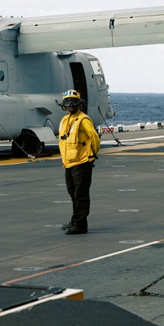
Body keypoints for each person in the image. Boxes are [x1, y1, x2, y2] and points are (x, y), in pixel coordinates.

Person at [58, 89, 100, 235]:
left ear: (79, 104)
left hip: (82, 163)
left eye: (73, 102)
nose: (70, 105)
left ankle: (81, 224)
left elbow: (94, 137)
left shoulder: (83, 119)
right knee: (72, 193)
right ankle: (75, 220)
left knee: (80, 194)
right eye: (67, 102)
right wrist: (64, 160)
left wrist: (90, 156)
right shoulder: (65, 120)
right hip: (69, 163)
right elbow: (63, 142)